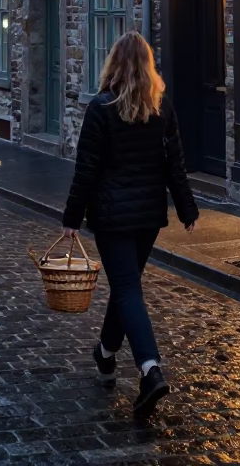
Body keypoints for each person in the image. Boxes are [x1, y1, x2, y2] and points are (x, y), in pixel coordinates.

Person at [62, 32, 199, 420]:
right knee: (128, 287)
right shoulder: (162, 107)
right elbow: (175, 164)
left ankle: (149, 369)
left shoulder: (100, 108)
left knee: (126, 288)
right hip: (147, 216)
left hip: (112, 215)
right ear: (147, 66)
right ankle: (105, 354)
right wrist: (187, 208)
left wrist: (72, 218)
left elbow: (86, 169)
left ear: (114, 64)